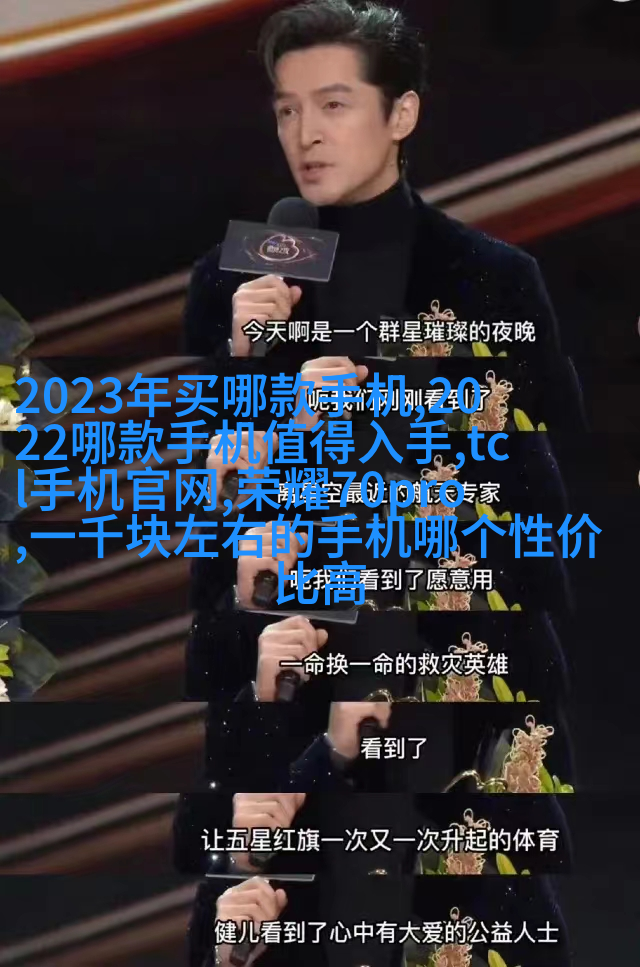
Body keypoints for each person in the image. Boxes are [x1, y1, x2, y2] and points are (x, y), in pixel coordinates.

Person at [183, 0, 585, 433]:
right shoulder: (226, 279)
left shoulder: (495, 277)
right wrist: (243, 360)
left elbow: (555, 452)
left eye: (333, 105)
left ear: (401, 115)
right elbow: (193, 465)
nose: (306, 135)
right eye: (289, 111)